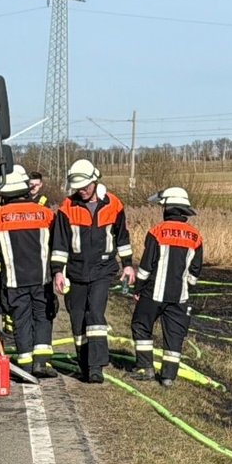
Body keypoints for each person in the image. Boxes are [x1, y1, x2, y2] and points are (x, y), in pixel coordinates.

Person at [0, 166, 71, 378]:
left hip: (14, 280)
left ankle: (25, 363)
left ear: (4, 193)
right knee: (42, 317)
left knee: (21, 319)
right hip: (42, 279)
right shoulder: (46, 213)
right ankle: (42, 363)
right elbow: (60, 240)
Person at [56, 158, 134, 383]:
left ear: (95, 181)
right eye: (77, 188)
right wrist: (58, 272)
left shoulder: (114, 205)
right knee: (78, 317)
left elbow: (122, 236)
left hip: (102, 269)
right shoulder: (66, 208)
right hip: (75, 271)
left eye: (85, 187)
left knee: (95, 315)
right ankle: (84, 361)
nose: (81, 191)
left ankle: (96, 366)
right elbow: (60, 244)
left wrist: (127, 263)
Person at [129, 186, 204, 387]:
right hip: (180, 296)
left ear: (169, 209)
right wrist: (187, 285)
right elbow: (195, 271)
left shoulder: (157, 232)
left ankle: (145, 368)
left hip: (154, 293)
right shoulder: (195, 236)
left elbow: (146, 266)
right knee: (174, 335)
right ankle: (169, 375)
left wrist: (138, 288)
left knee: (141, 326)